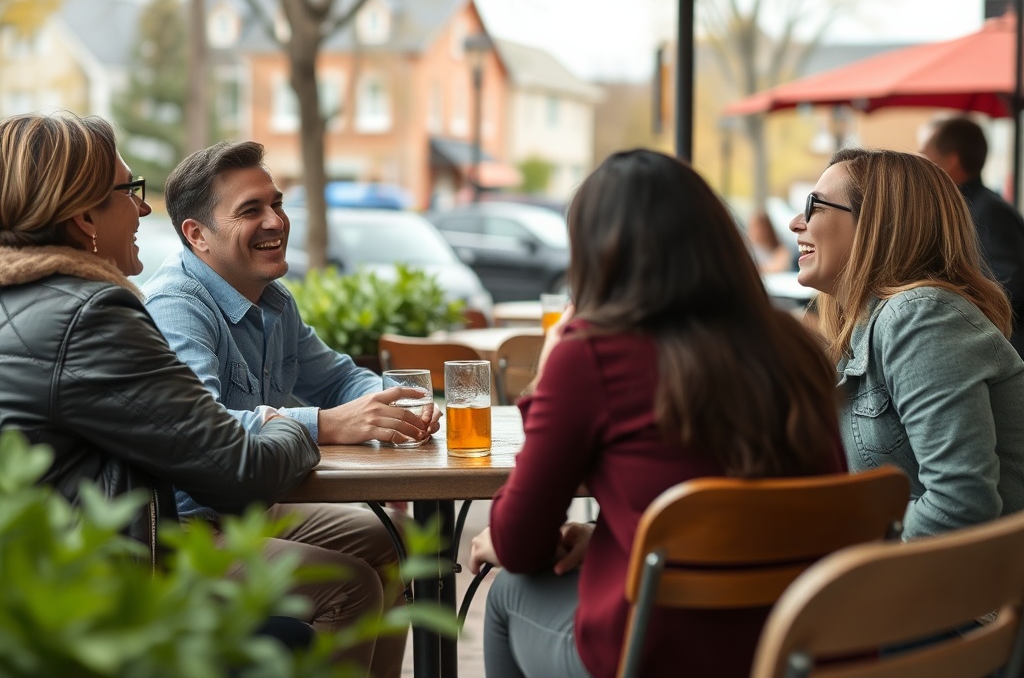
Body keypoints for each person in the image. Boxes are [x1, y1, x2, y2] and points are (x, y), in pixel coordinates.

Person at [467, 149, 847, 678]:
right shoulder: (792, 343)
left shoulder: (590, 354)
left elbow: (521, 543)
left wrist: (546, 373)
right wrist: (609, 539)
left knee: (509, 590)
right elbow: (746, 498)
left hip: (669, 654)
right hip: (804, 647)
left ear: (598, 251)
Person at [143, 140, 441, 678]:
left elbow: (337, 378)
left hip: (248, 510)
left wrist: (401, 402)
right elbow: (202, 430)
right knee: (349, 586)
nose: (276, 220)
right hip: (185, 530)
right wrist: (327, 424)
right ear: (196, 235)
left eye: (276, 204)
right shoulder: (177, 305)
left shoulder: (272, 299)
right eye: (251, 210)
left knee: (393, 542)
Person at [0, 112, 317, 574]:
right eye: (131, 192)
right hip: (95, 599)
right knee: (347, 589)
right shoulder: (92, 315)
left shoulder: (26, 297)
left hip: (42, 581)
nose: (145, 210)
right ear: (86, 216)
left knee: (373, 546)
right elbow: (239, 472)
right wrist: (286, 421)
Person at [789, 147, 1024, 541]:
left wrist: (855, 572)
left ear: (876, 225)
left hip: (973, 596)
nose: (797, 223)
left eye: (815, 205)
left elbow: (961, 505)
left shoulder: (920, 317)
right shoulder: (868, 325)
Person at [922, 117, 1024, 357]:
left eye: (927, 157)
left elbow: (1013, 287)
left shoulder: (987, 211)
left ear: (951, 162)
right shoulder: (971, 207)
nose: (923, 167)